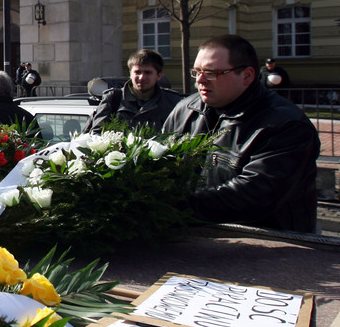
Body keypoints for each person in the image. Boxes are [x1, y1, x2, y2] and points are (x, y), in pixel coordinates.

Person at [162, 34, 320, 233]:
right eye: (197, 71)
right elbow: (161, 160)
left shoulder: (285, 124)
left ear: (247, 76)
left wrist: (171, 206)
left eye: (211, 72)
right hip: (190, 235)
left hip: (270, 244)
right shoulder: (185, 109)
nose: (200, 80)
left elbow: (254, 194)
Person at [83, 49, 182, 134]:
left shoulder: (172, 101)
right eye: (137, 72)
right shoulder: (113, 99)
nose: (142, 77)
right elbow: (96, 136)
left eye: (148, 72)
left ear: (159, 75)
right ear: (130, 73)